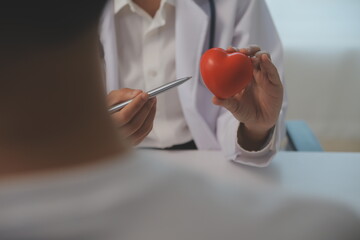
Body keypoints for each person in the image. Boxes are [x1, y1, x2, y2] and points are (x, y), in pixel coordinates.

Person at [1, 1, 360, 239]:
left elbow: (250, 118)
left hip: (211, 161)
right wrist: (86, 130)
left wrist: (255, 127)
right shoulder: (323, 228)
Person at [101, 0, 286, 167]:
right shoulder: (74, 10)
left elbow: (254, 101)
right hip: (107, 163)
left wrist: (255, 129)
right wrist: (94, 131)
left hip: (206, 159)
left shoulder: (238, 3)